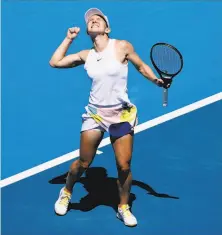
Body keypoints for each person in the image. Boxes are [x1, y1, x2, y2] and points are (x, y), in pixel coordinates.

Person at [49, 8, 166, 227]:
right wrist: (68, 39)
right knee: (84, 162)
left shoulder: (122, 46)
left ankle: (123, 207)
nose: (93, 20)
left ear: (107, 28)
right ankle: (66, 190)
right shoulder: (86, 55)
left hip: (121, 115)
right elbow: (55, 62)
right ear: (87, 30)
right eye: (90, 21)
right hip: (95, 114)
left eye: (98, 19)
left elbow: (141, 66)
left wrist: (157, 81)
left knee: (123, 166)